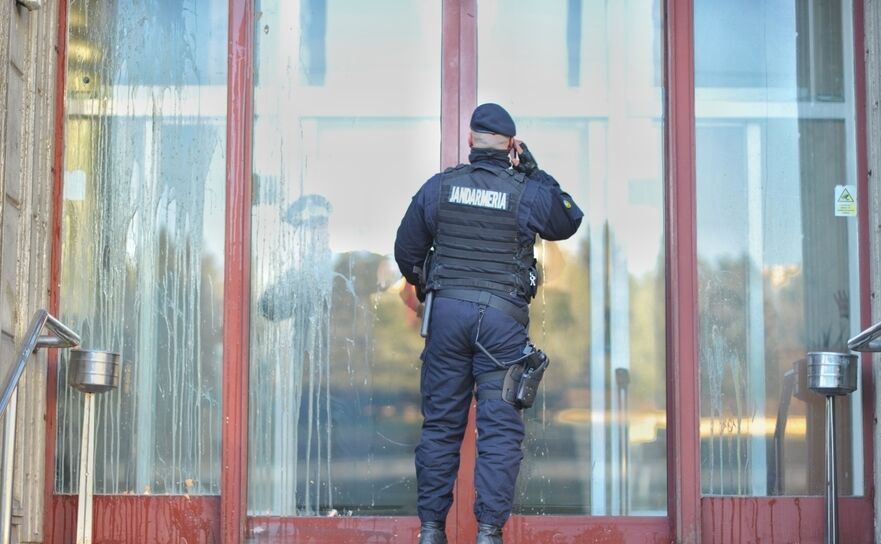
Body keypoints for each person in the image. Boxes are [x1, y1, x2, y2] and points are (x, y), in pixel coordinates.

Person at [394, 103, 584, 544]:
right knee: (498, 431)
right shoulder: (526, 191)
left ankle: (430, 531)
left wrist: (432, 290)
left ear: (469, 141)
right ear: (512, 147)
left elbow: (406, 252)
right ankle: (488, 534)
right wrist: (537, 173)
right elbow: (569, 220)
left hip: (447, 316)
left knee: (441, 425)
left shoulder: (438, 189)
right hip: (501, 322)